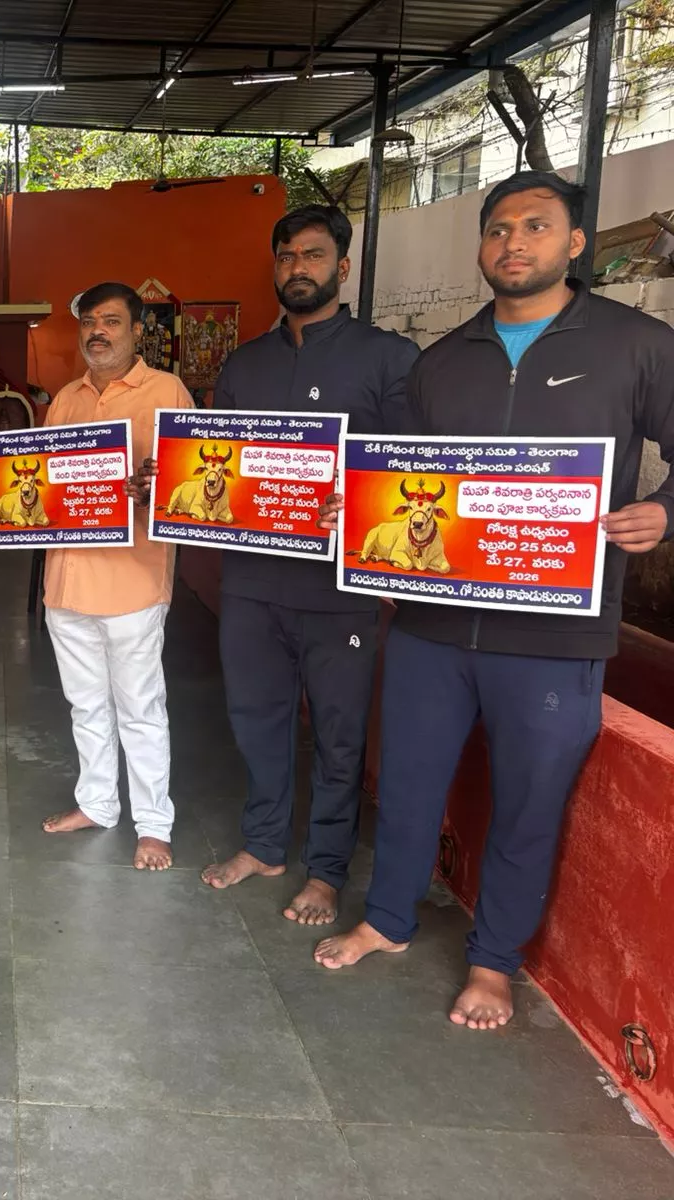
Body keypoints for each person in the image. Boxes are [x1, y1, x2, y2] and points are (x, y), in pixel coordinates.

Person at [314, 171, 674, 1029]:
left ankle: (494, 962)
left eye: (536, 227)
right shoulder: (443, 363)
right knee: (405, 783)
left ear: (574, 243)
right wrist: (353, 505)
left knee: (526, 800)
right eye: (500, 228)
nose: (515, 242)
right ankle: (388, 919)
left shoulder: (636, 345)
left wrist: (665, 511)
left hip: (555, 637)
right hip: (433, 626)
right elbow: (402, 482)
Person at [200, 207, 418, 920]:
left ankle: (325, 872)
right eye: (287, 255)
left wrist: (358, 504)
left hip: (340, 591)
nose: (298, 267)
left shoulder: (387, 359)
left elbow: (413, 470)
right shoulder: (244, 364)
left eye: (314, 255)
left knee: (338, 733)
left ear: (342, 267)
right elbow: (219, 471)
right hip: (253, 586)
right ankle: (264, 845)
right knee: (256, 720)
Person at [38, 283, 193, 870]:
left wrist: (152, 488)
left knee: (140, 707)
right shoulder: (66, 399)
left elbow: (194, 485)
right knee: (84, 705)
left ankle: (154, 824)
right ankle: (98, 802)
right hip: (67, 582)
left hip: (132, 582)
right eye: (89, 322)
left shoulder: (167, 392)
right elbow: (46, 488)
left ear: (137, 331)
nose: (97, 332)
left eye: (111, 321)